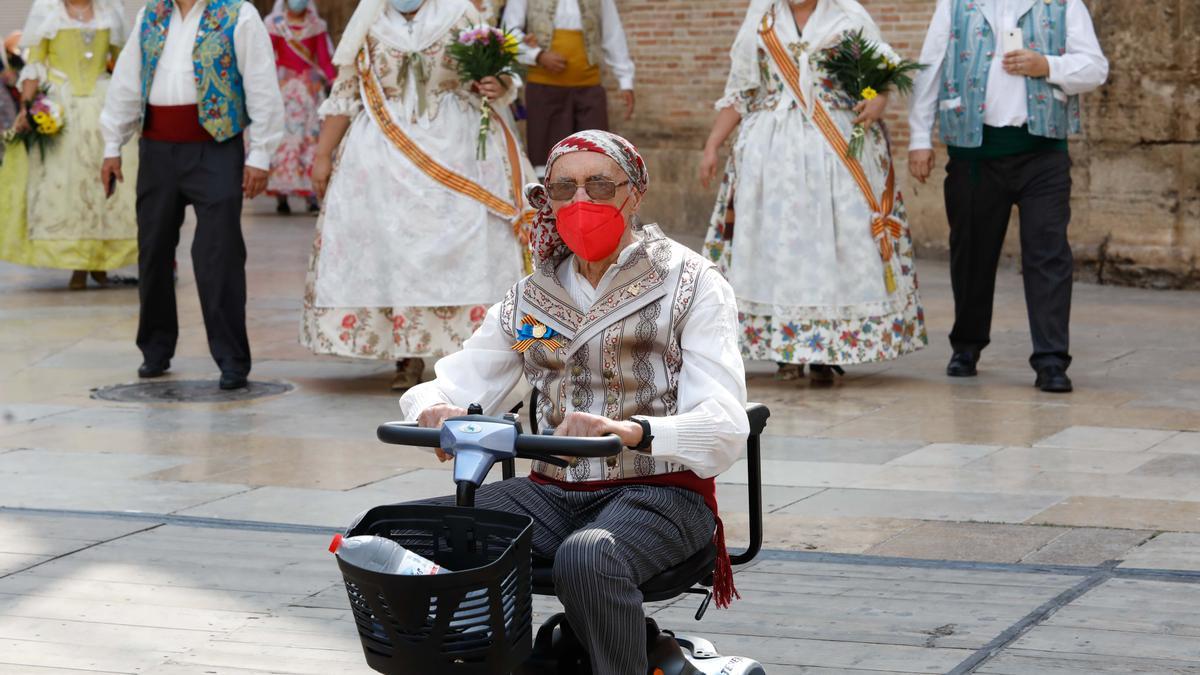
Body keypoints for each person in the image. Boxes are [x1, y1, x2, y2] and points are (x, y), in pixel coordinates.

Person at [397, 130, 750, 674]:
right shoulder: (530, 296)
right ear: (548, 200)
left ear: (633, 194)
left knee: (589, 555)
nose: (581, 202)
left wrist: (634, 430)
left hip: (661, 493)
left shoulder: (691, 281)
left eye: (599, 185)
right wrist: (434, 408)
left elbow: (726, 425)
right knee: (390, 537)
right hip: (551, 495)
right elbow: (455, 380)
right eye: (564, 187)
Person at [302, 0, 533, 391]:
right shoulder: (369, 23)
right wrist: (322, 155)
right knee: (393, 253)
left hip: (460, 149)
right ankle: (406, 356)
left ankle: (471, 356)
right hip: (382, 156)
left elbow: (503, 74)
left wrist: (499, 84)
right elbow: (346, 93)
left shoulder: (462, 14)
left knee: (467, 249)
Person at [700, 0, 927, 384]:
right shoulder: (763, 19)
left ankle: (826, 349)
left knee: (831, 245)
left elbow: (883, 75)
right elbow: (741, 92)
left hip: (835, 148)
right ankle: (784, 352)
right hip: (770, 153)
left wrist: (878, 101)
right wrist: (712, 145)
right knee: (777, 246)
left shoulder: (847, 17)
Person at [908, 0, 1108, 393]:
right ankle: (966, 345)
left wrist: (1048, 65)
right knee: (971, 254)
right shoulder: (955, 5)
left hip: (1042, 153)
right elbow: (931, 67)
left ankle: (1051, 359)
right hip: (975, 153)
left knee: (1048, 253)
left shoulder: (1064, 4)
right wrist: (919, 139)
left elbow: (1095, 67)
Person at [99, 0, 285, 390]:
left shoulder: (239, 14)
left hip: (216, 147)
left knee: (219, 253)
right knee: (153, 250)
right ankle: (155, 348)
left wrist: (261, 154)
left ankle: (232, 358)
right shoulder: (151, 14)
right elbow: (128, 83)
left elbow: (262, 85)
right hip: (157, 148)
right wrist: (112, 145)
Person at [0, 0, 138, 290]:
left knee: (106, 184)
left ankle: (100, 261)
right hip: (63, 105)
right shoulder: (48, 11)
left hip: (102, 103)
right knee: (69, 184)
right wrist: (27, 106)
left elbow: (123, 63)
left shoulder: (109, 10)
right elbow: (35, 65)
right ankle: (77, 262)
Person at [501, 0, 635, 171]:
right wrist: (538, 55)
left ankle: (589, 197)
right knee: (547, 161)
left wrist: (625, 80)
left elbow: (612, 32)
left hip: (589, 87)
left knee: (595, 156)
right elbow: (508, 33)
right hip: (544, 88)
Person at [264, 0, 335, 215]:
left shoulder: (316, 25)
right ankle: (281, 195)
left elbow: (323, 58)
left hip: (308, 93)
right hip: (283, 91)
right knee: (283, 140)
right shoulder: (275, 25)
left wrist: (336, 82)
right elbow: (268, 57)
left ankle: (312, 196)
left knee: (311, 141)